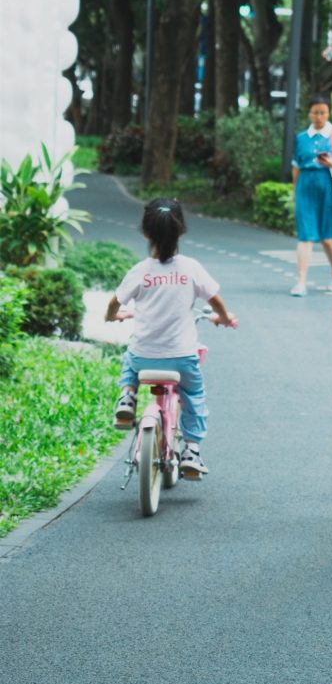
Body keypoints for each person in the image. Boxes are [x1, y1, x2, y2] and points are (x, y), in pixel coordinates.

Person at [106, 197, 237, 479]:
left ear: (145, 232)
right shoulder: (190, 268)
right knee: (194, 395)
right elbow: (215, 300)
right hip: (182, 358)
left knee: (130, 358)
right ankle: (191, 449)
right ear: (181, 231)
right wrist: (224, 318)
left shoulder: (140, 271)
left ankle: (127, 398)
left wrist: (112, 316)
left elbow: (114, 302)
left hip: (144, 358)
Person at [290, 95, 332, 297]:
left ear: (329, 113)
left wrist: (330, 163)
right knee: (305, 236)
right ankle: (301, 281)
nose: (319, 116)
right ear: (309, 113)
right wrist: (294, 191)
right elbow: (296, 167)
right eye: (315, 112)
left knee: (327, 237)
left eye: (323, 112)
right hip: (305, 187)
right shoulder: (301, 138)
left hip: (328, 186)